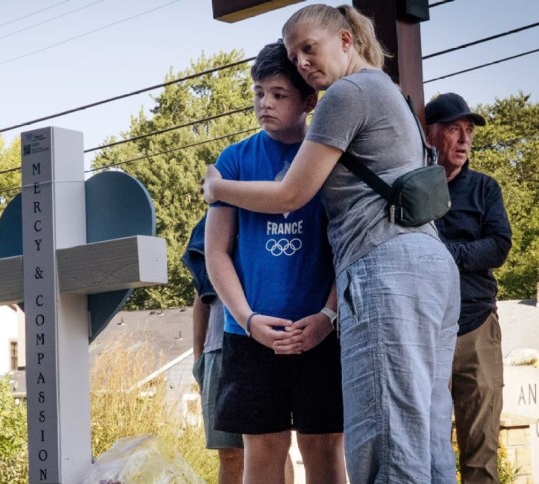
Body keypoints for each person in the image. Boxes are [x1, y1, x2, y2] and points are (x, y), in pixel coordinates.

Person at [202, 5, 461, 483]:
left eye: (309, 48)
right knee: (424, 434)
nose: (302, 62)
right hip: (427, 261)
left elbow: (291, 194)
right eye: (293, 55)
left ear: (345, 40)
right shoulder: (392, 94)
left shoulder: (346, 93)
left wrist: (216, 188)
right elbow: (217, 250)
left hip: (385, 265)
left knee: (388, 437)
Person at [204, 40, 345, 484]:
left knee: (324, 447)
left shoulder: (331, 158)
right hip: (250, 334)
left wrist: (328, 316)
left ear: (309, 101)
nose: (265, 103)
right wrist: (248, 320)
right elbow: (216, 252)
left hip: (320, 331)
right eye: (259, 92)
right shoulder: (234, 160)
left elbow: (349, 249)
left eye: (279, 94)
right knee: (263, 450)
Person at [426, 92, 512, 483]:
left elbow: (499, 245)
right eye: (454, 130)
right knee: (428, 449)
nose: (464, 140)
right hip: (425, 334)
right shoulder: (412, 188)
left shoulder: (484, 189)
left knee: (481, 451)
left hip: (476, 328)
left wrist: (447, 254)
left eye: (469, 131)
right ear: (430, 133)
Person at [183, 215, 245, 484]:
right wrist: (199, 356)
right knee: (229, 453)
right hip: (218, 349)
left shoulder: (268, 213)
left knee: (269, 445)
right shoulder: (211, 223)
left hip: (265, 344)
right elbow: (202, 295)